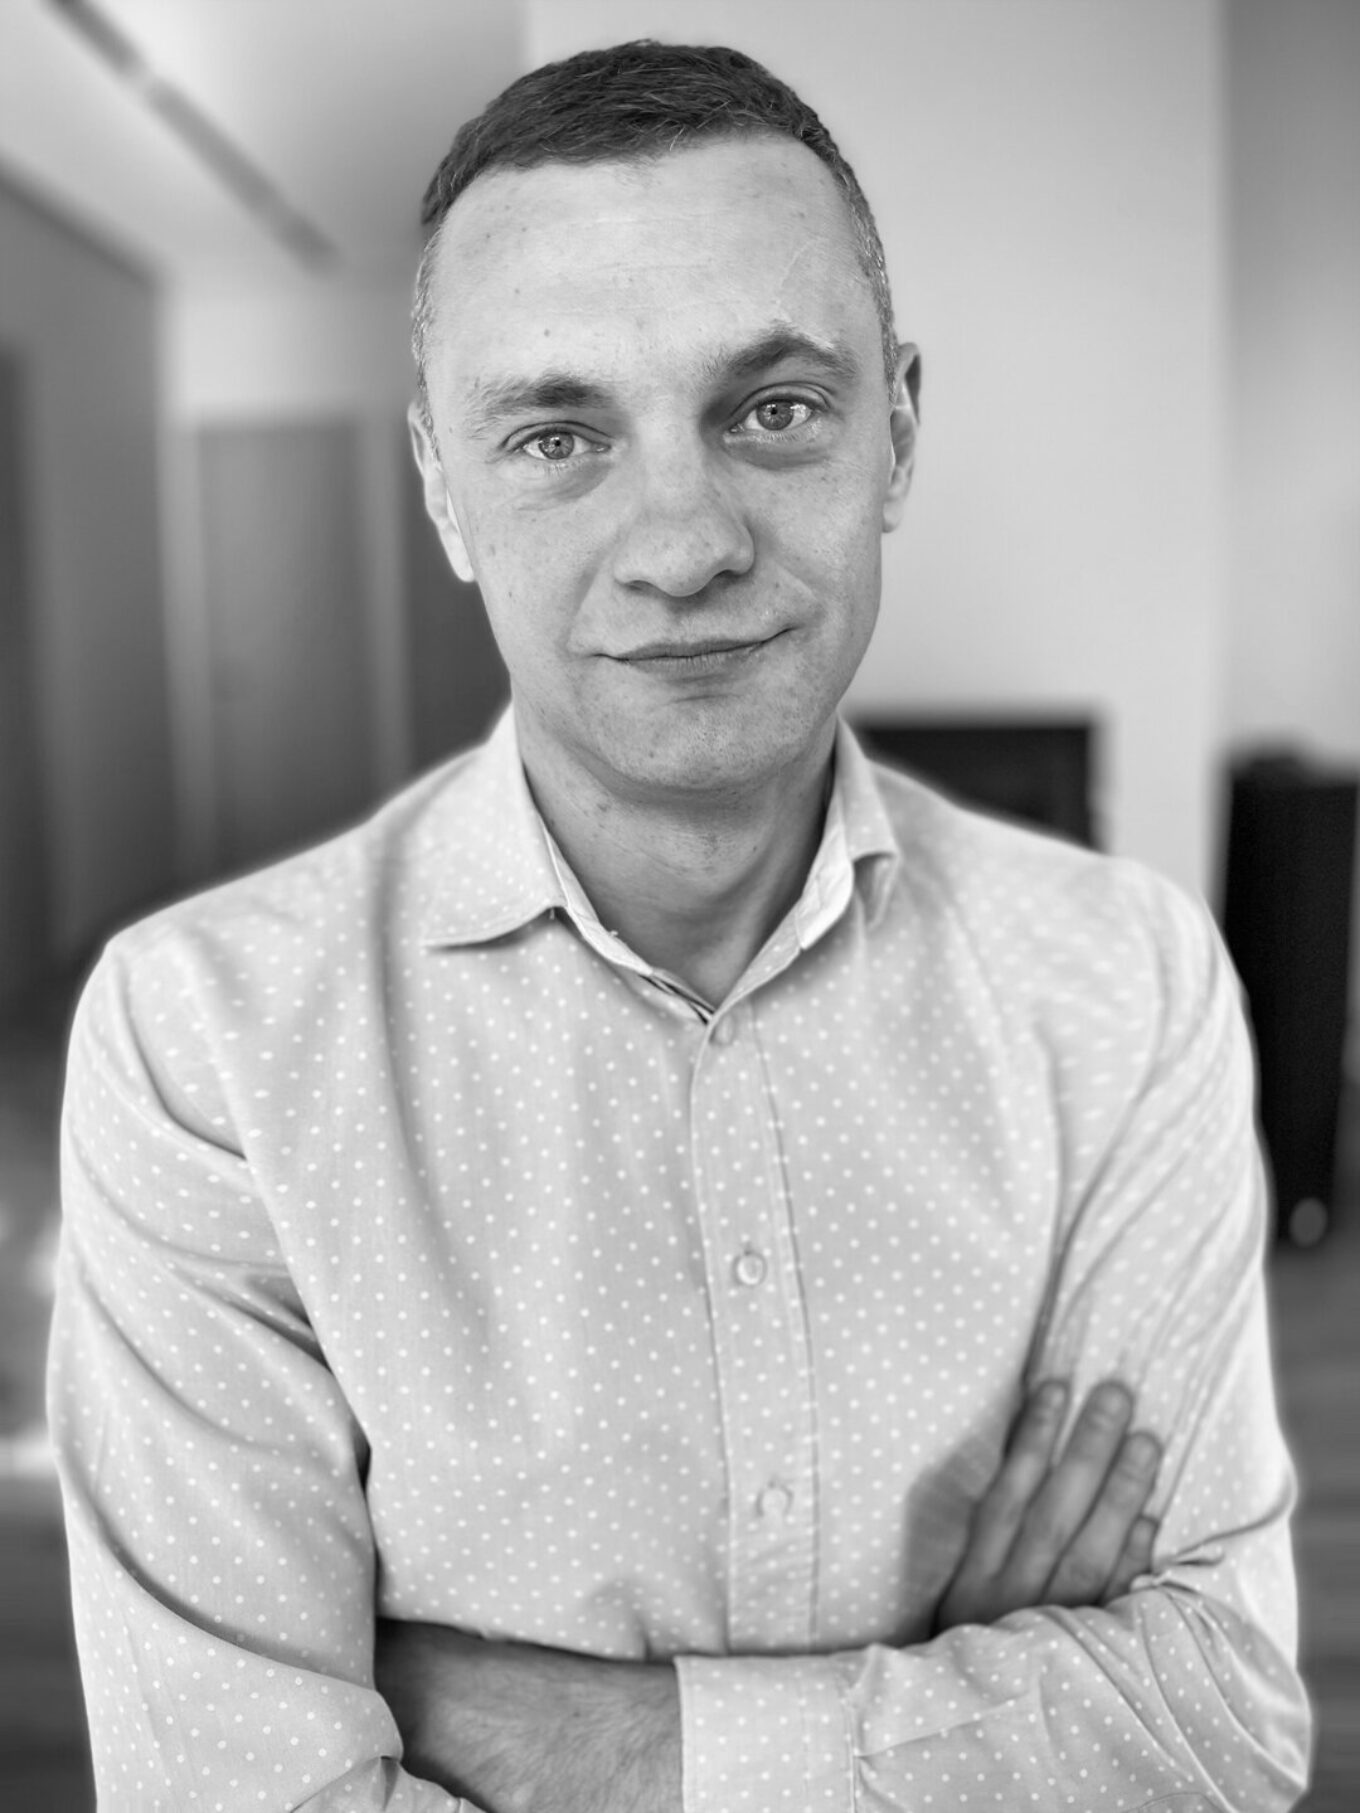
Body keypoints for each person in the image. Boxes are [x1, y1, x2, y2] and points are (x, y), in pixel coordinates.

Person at [48, 38, 1309, 1813]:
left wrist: (580, 1735)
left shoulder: (1127, 982)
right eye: (558, 436)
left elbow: (1226, 1726)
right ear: (443, 487)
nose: (685, 540)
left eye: (772, 409)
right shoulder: (205, 1044)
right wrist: (964, 1717)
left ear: (898, 431)